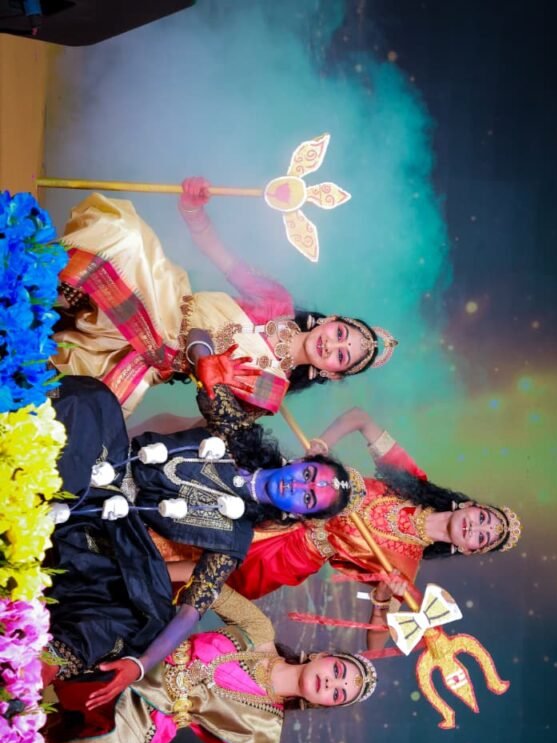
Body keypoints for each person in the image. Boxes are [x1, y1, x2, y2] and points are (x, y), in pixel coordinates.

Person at [46, 376, 353, 690]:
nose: (297, 485)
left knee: (146, 614)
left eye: (307, 497)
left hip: (108, 522)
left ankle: (48, 660)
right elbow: (209, 374)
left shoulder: (233, 542)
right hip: (108, 457)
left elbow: (191, 611)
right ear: (301, 462)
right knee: (95, 400)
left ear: (299, 515)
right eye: (307, 474)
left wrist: (141, 665)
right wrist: (206, 358)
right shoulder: (236, 433)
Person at [50, 178, 397, 417]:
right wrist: (192, 210)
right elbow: (218, 253)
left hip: (158, 358)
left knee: (87, 398)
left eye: (340, 356)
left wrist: (210, 380)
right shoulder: (277, 301)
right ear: (332, 320)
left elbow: (216, 419)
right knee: (123, 236)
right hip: (166, 297)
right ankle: (35, 272)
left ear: (332, 374)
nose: (331, 345)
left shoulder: (270, 389)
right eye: (340, 334)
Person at [49, 585, 377, 743]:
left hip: (147, 719)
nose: (331, 683)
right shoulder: (259, 630)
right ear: (323, 656)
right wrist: (153, 576)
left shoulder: (264, 731)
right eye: (337, 671)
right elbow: (208, 584)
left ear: (323, 704)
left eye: (338, 694)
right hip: (143, 651)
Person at [224, 407, 522, 650]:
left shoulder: (403, 570)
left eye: (482, 537)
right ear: (469, 505)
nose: (475, 527)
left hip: (288, 554)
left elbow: (375, 646)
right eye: (483, 518)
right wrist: (321, 446)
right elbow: (360, 418)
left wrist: (382, 600)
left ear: (469, 550)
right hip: (290, 492)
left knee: (211, 563)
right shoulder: (410, 480)